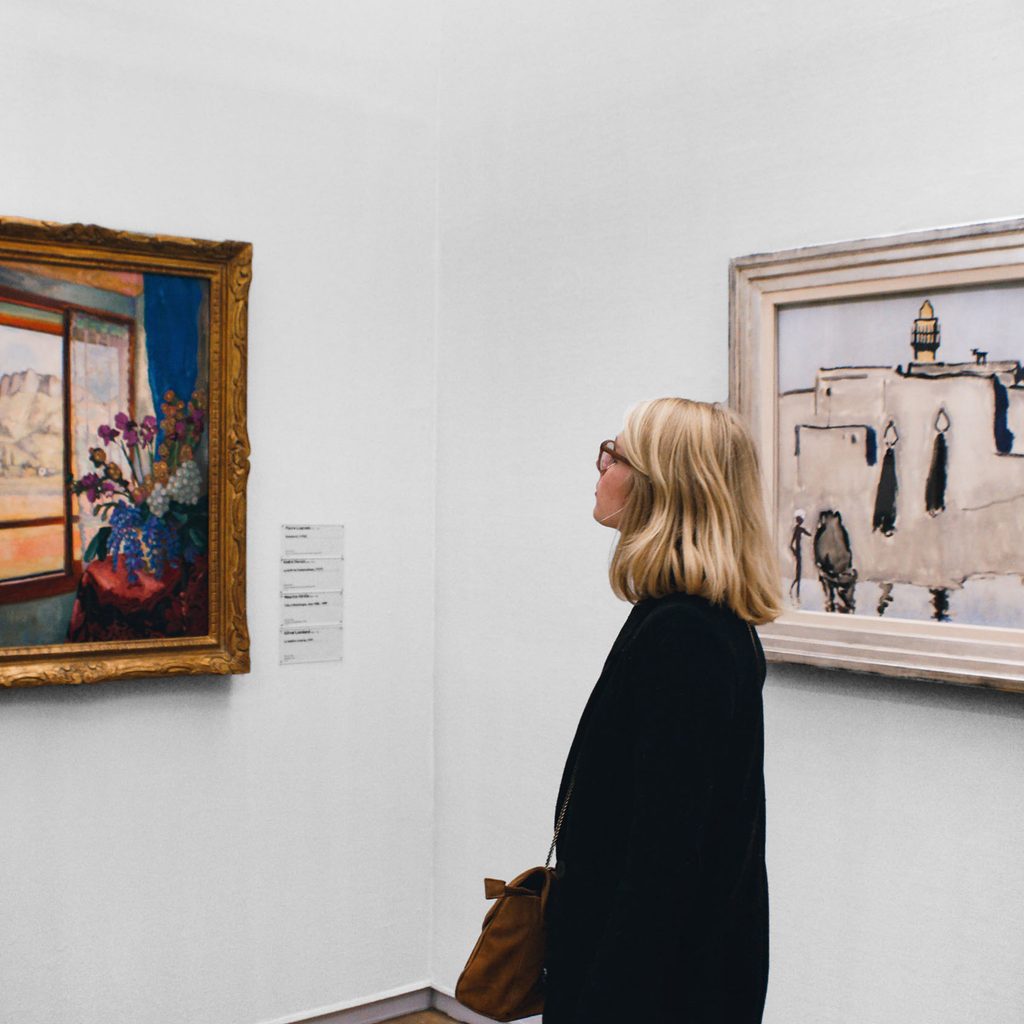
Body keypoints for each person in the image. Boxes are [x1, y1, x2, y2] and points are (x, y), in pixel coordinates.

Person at [543, 397, 782, 1024]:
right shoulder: (689, 620)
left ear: (662, 488)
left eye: (614, 455)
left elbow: (663, 862)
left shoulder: (685, 637)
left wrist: (601, 1001)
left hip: (650, 988)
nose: (599, 467)